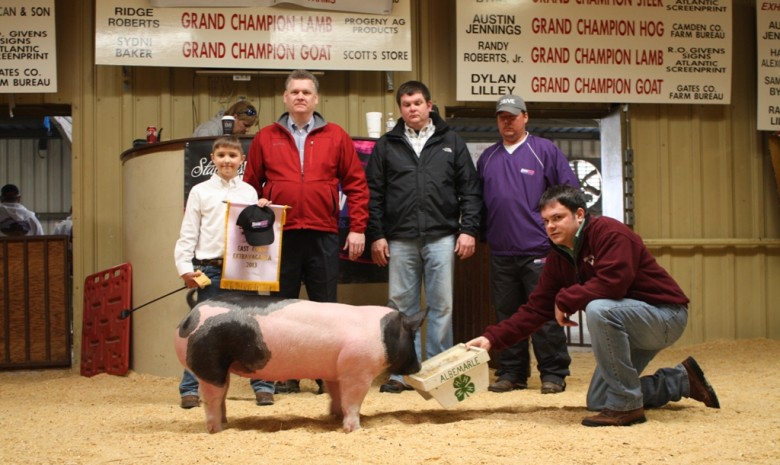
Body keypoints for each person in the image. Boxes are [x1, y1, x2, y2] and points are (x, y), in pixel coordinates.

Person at [467, 185, 720, 426]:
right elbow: (535, 309)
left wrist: (564, 299)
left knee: (599, 309)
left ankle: (627, 407)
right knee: (598, 400)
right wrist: (491, 339)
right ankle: (681, 381)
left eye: (557, 218)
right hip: (628, 324)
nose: (551, 226)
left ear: (579, 214)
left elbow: (613, 285)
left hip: (665, 316)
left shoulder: (610, 233)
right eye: (546, 221)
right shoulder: (559, 257)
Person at [243, 69, 369, 394]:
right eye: (295, 92)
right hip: (278, 236)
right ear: (285, 98)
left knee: (325, 309)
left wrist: (357, 228)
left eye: (306, 92)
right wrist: (256, 204)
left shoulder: (336, 136)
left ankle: (325, 376)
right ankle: (285, 375)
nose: (300, 97)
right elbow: (248, 187)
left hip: (323, 232)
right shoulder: (265, 137)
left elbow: (356, 185)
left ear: (316, 98)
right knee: (281, 310)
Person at [366, 80, 482, 393]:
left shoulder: (452, 142)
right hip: (400, 238)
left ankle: (437, 371)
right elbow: (373, 194)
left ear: (429, 105)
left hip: (442, 236)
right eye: (406, 104)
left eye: (417, 103)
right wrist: (376, 235)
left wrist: (469, 229)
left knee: (441, 305)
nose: (412, 109)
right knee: (400, 308)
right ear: (400, 109)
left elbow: (469, 190)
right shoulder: (386, 145)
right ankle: (402, 372)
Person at [477, 95, 580, 395]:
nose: (507, 121)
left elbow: (569, 193)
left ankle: (553, 372)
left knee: (546, 314)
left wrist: (563, 235)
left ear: (525, 117)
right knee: (507, 315)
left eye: (512, 115)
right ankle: (512, 372)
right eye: (501, 117)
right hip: (501, 251)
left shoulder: (544, 151)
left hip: (539, 250)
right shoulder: (488, 158)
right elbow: (478, 202)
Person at [173, 135, 276, 408]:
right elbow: (188, 234)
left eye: (233, 156)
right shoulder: (200, 192)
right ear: (212, 160)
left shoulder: (250, 193)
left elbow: (256, 232)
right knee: (202, 331)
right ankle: (189, 388)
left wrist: (264, 212)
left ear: (242, 161)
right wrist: (185, 268)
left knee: (253, 326)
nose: (227, 160)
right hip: (211, 269)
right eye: (221, 156)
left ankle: (263, 385)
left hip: (244, 269)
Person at [193, 100, 258, 137]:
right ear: (235, 117)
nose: (247, 130)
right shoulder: (209, 130)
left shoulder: (232, 133)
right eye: (245, 125)